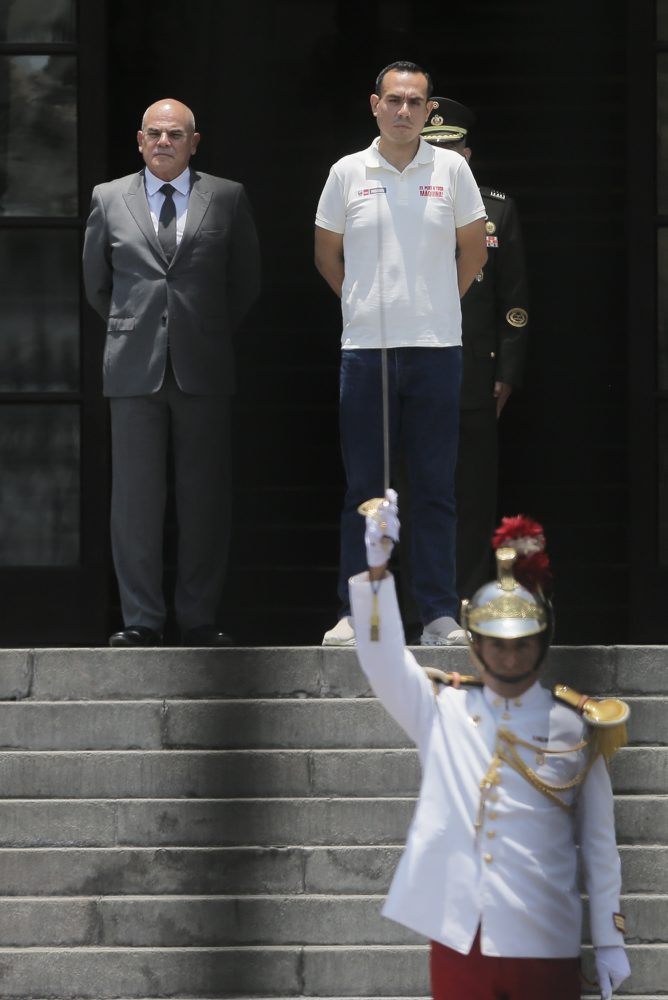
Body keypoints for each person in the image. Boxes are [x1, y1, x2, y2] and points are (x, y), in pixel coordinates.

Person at [350, 490, 631, 1000]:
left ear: (541, 644)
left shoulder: (574, 725)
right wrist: (376, 569)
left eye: (520, 642)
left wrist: (610, 938)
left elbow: (598, 843)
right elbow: (382, 659)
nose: (507, 656)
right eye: (495, 643)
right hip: (461, 935)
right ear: (475, 645)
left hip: (544, 936)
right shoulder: (442, 709)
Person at [315, 61, 487, 648]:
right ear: (375, 104)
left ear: (429, 109)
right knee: (365, 487)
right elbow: (327, 256)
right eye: (395, 100)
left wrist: (434, 302)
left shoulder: (452, 171)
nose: (405, 111)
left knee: (435, 486)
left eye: (416, 102)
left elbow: (473, 253)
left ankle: (439, 612)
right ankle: (358, 609)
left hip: (438, 349)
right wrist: (369, 304)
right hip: (365, 350)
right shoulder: (346, 172)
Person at [83, 99, 260, 647]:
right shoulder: (108, 198)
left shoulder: (226, 197)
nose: (164, 142)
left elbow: (245, 283)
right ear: (139, 140)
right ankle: (141, 619)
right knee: (134, 502)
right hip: (133, 368)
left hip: (203, 367)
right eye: (155, 134)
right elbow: (96, 284)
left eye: (175, 134)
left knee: (205, 499)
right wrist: (138, 326)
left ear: (194, 142)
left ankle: (199, 618)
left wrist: (199, 328)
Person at [427, 97, 529, 598]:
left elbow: (514, 304)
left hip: (474, 371)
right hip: (415, 365)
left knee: (471, 494)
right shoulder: (397, 202)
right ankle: (417, 605)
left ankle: (467, 599)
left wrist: (506, 371)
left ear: (467, 154)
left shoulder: (498, 211)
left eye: (454, 150)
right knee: (414, 490)